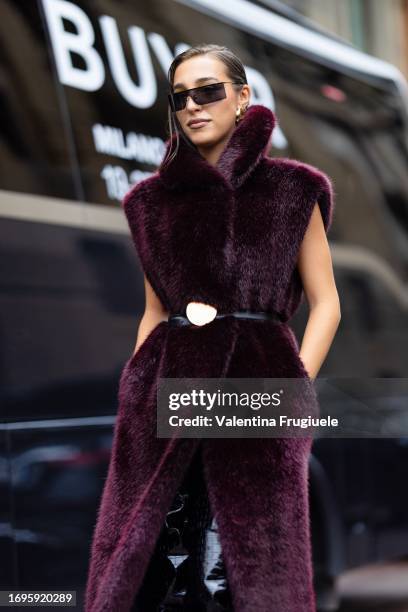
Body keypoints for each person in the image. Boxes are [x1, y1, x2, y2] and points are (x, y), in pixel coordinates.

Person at [84, 44, 341, 612]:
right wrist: (136, 392)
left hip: (258, 395)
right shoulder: (149, 203)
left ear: (242, 97)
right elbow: (154, 311)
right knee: (160, 569)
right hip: (166, 394)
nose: (193, 106)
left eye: (208, 91)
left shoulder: (293, 190)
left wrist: (293, 391)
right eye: (180, 97)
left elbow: (327, 304)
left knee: (245, 570)